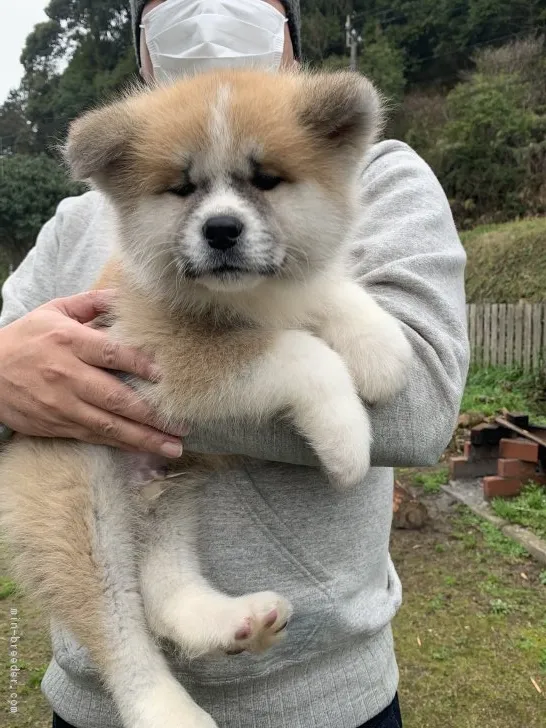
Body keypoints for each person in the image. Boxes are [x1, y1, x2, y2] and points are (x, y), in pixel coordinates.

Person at [0, 1, 469, 727]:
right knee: (82, 490)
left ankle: (179, 602)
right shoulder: (79, 218)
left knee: (160, 492)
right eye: (184, 190)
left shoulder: (383, 177)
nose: (222, 215)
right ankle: (142, 678)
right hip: (89, 697)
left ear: (290, 34)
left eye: (263, 182)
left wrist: (318, 339)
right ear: (142, 52)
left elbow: (418, 408)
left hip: (327, 698)